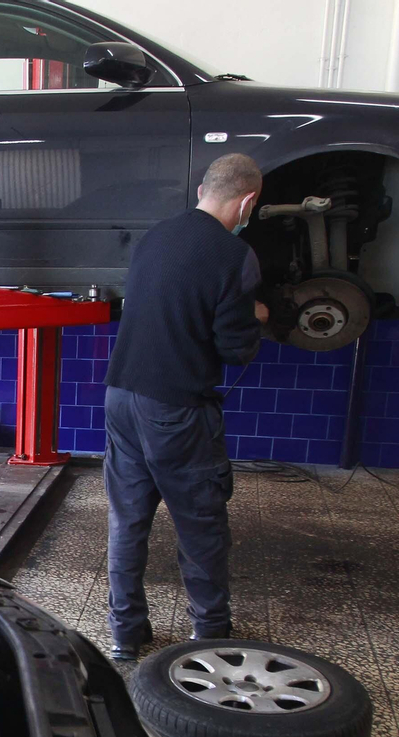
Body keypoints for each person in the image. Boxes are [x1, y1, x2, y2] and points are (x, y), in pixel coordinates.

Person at [101, 153, 268, 661]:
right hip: (175, 409)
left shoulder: (155, 236)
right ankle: (210, 635)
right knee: (200, 523)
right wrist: (256, 312)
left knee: (127, 522)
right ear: (247, 202)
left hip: (120, 396)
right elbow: (234, 347)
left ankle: (126, 636)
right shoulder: (234, 256)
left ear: (202, 190)